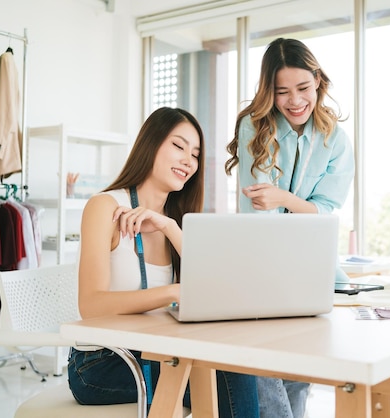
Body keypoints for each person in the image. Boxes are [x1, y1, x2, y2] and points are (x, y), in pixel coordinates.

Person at [67, 107, 260, 417]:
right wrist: (172, 293)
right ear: (151, 144)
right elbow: (90, 305)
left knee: (237, 365)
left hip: (158, 350)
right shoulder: (105, 206)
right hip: (103, 361)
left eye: (195, 154)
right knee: (226, 375)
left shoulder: (174, 221)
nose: (188, 160)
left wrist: (171, 228)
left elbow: (215, 288)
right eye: (178, 145)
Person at [225, 38, 355, 418]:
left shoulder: (336, 139)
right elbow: (258, 214)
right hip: (261, 262)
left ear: (317, 81)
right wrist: (300, 207)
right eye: (282, 92)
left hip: (313, 266)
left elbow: (327, 215)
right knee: (264, 362)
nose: (294, 101)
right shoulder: (255, 127)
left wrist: (283, 198)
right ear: (269, 91)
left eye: (303, 88)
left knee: (300, 371)